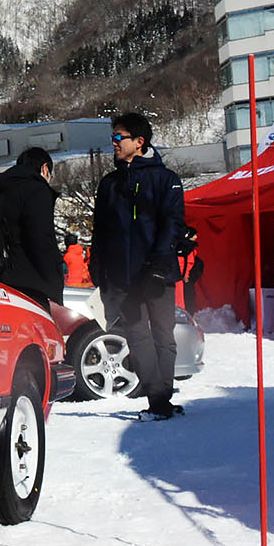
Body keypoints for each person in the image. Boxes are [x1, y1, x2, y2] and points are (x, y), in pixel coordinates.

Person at [90, 111, 187, 419]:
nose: (114, 143)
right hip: (123, 277)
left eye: (119, 138)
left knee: (163, 334)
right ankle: (158, 401)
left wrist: (159, 264)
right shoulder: (109, 184)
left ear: (139, 141)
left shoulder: (166, 180)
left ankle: (163, 398)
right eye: (113, 138)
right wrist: (98, 267)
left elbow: (172, 224)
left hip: (157, 273)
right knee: (136, 335)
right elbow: (100, 231)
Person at [0, 146, 63, 308]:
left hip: (2, 279)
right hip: (34, 282)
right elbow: (40, 238)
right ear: (44, 168)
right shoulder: (36, 190)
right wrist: (54, 277)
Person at [177, 225, 205, 313]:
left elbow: (191, 263)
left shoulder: (190, 249)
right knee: (182, 300)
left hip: (185, 279)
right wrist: (184, 275)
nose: (196, 237)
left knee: (187, 299)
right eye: (194, 235)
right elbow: (183, 263)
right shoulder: (184, 249)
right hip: (180, 279)